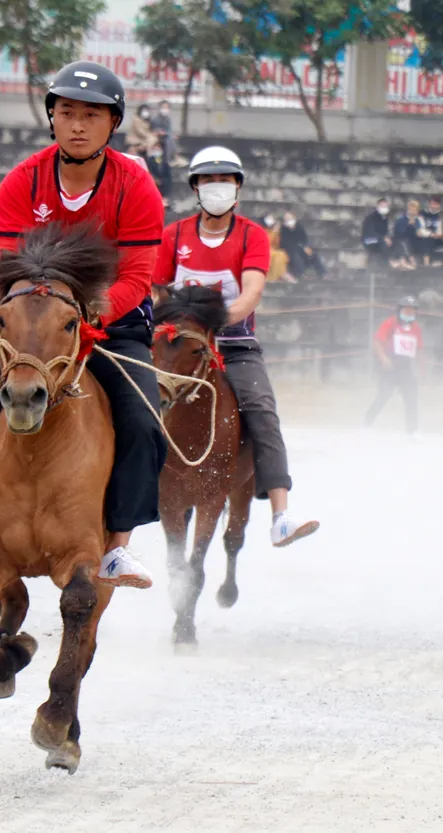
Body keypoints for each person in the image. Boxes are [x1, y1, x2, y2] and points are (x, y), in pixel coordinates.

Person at [0, 61, 167, 589]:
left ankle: (117, 546)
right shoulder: (23, 181)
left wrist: (88, 319)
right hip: (33, 330)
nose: (78, 125)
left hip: (114, 322)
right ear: (51, 118)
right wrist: (30, 320)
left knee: (142, 422)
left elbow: (137, 274)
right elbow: (8, 273)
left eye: (92, 115)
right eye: (67, 113)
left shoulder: (136, 186)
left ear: (114, 124)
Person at [153, 146, 319, 548]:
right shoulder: (173, 235)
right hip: (178, 345)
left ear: (237, 187)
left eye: (224, 181)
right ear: (195, 187)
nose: (216, 188)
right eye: (208, 181)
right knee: (131, 400)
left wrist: (214, 323)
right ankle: (117, 505)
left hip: (234, 345)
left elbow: (251, 293)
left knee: (263, 412)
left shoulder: (252, 235)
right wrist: (179, 328)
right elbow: (157, 289)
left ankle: (280, 514)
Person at [364, 297, 422, 435]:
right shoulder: (390, 323)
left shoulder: (416, 328)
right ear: (399, 311)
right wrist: (383, 359)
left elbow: (419, 350)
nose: (409, 314)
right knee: (383, 396)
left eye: (412, 311)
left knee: (411, 398)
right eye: (406, 311)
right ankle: (367, 423)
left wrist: (421, 371)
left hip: (405, 367)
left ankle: (412, 431)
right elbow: (378, 342)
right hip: (390, 366)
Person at [280, 211, 325, 279]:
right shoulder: (283, 229)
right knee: (296, 257)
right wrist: (290, 230)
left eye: (290, 218)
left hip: (301, 247)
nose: (288, 220)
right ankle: (300, 274)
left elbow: (304, 239)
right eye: (286, 219)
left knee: (313, 254)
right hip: (290, 250)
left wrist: (304, 246)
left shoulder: (299, 226)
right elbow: (284, 243)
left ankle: (323, 273)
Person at [361, 198, 392, 268]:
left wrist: (388, 238)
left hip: (379, 240)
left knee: (391, 242)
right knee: (384, 243)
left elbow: (385, 232)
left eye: (385, 206)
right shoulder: (371, 218)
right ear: (378, 207)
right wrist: (383, 238)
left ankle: (393, 261)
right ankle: (386, 265)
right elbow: (370, 233)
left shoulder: (385, 218)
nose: (384, 208)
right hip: (369, 240)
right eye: (382, 206)